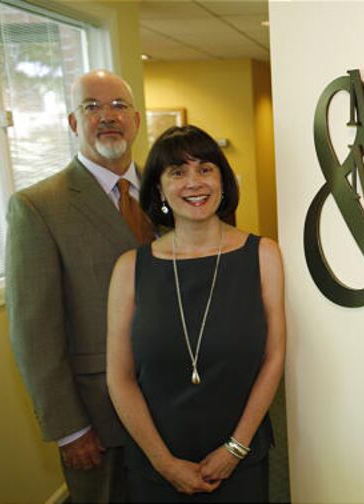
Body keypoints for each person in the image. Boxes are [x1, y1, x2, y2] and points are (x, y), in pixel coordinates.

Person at [107, 125, 286, 502]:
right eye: (177, 172)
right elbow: (120, 377)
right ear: (159, 189)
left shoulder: (263, 255)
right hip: (155, 463)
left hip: (241, 457)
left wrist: (235, 448)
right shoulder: (130, 268)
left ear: (223, 180)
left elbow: (274, 357)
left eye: (205, 169)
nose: (194, 182)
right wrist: (164, 463)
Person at [6, 70, 152, 502]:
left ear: (136, 120)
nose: (107, 116)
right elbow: (34, 333)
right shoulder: (38, 207)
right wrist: (69, 427)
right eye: (91, 107)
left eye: (118, 106)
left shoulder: (171, 191)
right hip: (98, 413)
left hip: (175, 402)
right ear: (73, 123)